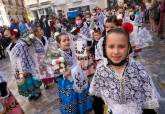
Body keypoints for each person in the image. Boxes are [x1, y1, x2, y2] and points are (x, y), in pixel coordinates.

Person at [89, 28, 159, 114]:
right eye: (111, 46)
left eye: (121, 46)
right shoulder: (101, 71)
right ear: (105, 48)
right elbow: (97, 101)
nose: (116, 51)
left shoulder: (139, 69)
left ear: (128, 48)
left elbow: (148, 103)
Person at [56, 33, 92, 114]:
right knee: (71, 98)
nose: (67, 42)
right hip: (67, 81)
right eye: (64, 41)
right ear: (59, 44)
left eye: (68, 40)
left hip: (77, 76)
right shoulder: (57, 55)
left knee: (80, 93)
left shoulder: (71, 50)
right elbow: (58, 73)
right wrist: (69, 71)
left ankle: (82, 108)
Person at [4, 28, 42, 101]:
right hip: (17, 67)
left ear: (13, 36)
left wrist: (24, 70)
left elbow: (24, 58)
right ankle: (31, 93)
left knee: (30, 80)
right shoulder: (10, 45)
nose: (5, 37)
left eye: (7, 35)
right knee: (25, 82)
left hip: (25, 66)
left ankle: (36, 92)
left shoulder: (21, 44)